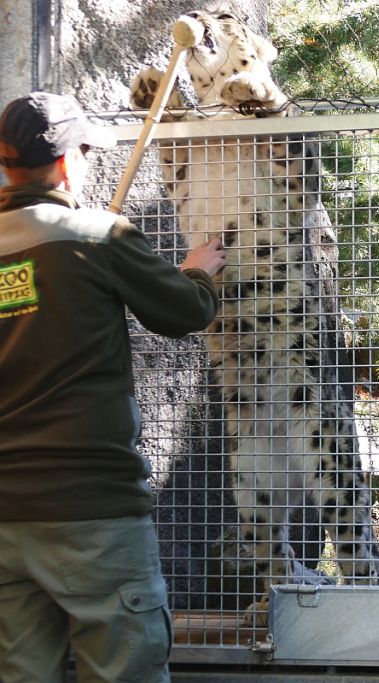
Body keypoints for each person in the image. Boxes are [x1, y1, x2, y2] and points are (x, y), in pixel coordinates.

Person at [0, 91, 226, 683]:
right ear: (70, 161)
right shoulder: (95, 235)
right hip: (93, 514)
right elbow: (183, 311)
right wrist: (198, 270)